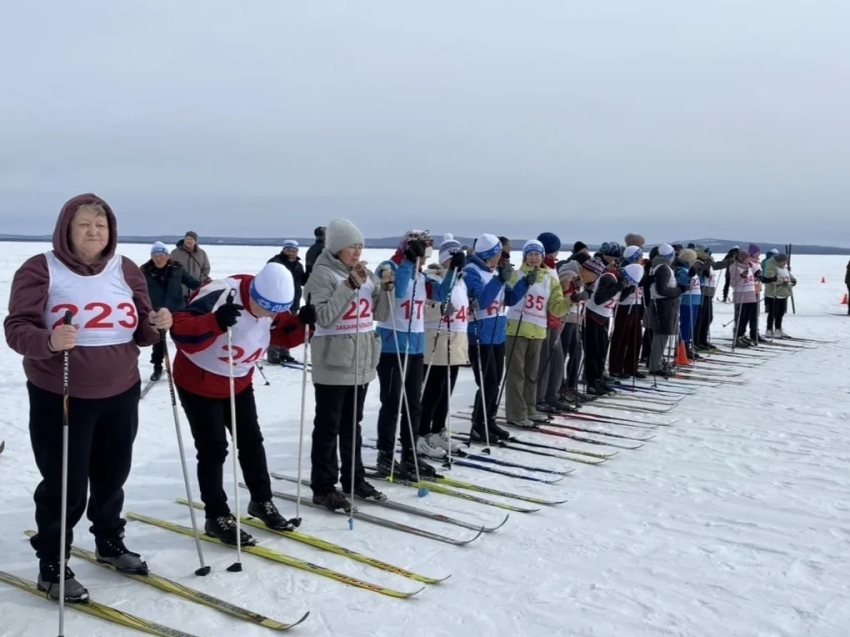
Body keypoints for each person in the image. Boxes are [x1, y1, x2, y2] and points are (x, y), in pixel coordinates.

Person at [4, 194, 172, 601]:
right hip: (61, 394)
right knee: (66, 483)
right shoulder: (40, 269)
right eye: (84, 225)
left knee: (113, 475)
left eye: (101, 225)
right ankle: (52, 562)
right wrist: (47, 339)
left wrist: (156, 325)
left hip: (120, 391)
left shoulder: (126, 269)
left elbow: (142, 330)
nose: (94, 232)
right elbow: (16, 327)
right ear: (67, 229)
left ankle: (109, 540)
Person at [169, 262, 315, 544]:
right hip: (199, 381)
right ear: (255, 296)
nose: (273, 315)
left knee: (251, 442)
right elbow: (180, 330)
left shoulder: (274, 306)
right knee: (213, 449)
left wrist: (303, 324)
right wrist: (214, 322)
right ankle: (217, 515)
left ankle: (261, 500)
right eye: (268, 308)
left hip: (238, 380)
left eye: (278, 310)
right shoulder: (221, 292)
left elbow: (283, 334)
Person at [303, 219, 392, 511]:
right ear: (336, 248)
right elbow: (324, 317)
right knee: (328, 427)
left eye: (360, 246)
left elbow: (382, 315)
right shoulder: (322, 275)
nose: (356, 251)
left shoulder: (366, 275)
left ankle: (354, 478)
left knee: (351, 426)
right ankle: (323, 487)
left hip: (361, 361)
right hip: (333, 362)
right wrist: (349, 286)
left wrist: (387, 290)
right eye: (350, 246)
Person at [373, 231, 453, 478]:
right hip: (391, 344)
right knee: (392, 401)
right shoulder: (389, 266)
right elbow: (395, 293)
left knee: (413, 404)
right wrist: (408, 261)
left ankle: (409, 453)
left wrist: (453, 272)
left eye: (427, 247)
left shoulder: (423, 273)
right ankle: (385, 454)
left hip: (416, 345)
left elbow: (441, 295)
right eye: (419, 247)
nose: (424, 252)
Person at [504, 240, 570, 426]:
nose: (534, 258)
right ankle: (516, 414)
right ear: (525, 256)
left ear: (542, 257)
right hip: (517, 328)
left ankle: (530, 409)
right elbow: (507, 297)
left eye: (537, 254)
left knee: (532, 374)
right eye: (530, 254)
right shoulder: (516, 275)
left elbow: (556, 308)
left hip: (538, 330)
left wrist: (570, 300)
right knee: (516, 374)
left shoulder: (550, 279)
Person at [464, 234, 522, 442]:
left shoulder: (493, 270)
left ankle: (489, 420)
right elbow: (481, 302)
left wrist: (524, 283)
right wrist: (499, 280)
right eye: (498, 253)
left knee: (495, 382)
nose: (501, 256)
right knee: (487, 383)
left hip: (497, 334)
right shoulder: (472, 272)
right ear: (490, 254)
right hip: (481, 334)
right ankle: (478, 424)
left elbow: (510, 298)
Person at [418, 235, 469, 458]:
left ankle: (438, 429)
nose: (456, 264)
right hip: (437, 339)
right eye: (453, 259)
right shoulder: (432, 277)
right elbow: (424, 307)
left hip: (457, 339)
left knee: (446, 391)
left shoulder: (461, 281)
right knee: (433, 390)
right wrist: (440, 309)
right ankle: (422, 433)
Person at [141, 241, 202, 380]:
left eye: (161, 255)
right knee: (158, 343)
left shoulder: (177, 269)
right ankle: (157, 368)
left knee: (182, 339)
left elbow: (191, 282)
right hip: (158, 312)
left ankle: (186, 367)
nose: (158, 258)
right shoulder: (144, 271)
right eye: (155, 255)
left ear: (168, 256)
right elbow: (138, 289)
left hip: (177, 310)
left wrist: (208, 287)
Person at [581, 254, 625, 394]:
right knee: (593, 351)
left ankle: (599, 379)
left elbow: (617, 298)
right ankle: (592, 382)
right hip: (593, 315)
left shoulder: (616, 278)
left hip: (604, 316)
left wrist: (626, 289)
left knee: (602, 350)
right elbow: (600, 298)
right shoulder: (608, 277)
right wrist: (618, 287)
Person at [267, 240, 307, 364]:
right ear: (283, 250)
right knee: (276, 328)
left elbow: (302, 282)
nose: (291, 253)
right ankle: (273, 353)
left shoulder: (298, 265)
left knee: (289, 328)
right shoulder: (275, 262)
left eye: (294, 251)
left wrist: (309, 274)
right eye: (289, 250)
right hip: (278, 301)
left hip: (294, 301)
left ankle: (285, 352)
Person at [609, 245, 646, 378]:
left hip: (636, 304)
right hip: (624, 306)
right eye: (640, 256)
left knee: (636, 338)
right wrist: (629, 288)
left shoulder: (639, 269)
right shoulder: (624, 270)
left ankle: (631, 367)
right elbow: (620, 293)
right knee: (621, 337)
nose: (642, 259)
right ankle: (616, 367)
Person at [646, 244, 683, 376]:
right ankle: (655, 364)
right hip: (664, 304)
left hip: (661, 303)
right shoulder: (664, 268)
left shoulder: (658, 266)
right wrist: (679, 290)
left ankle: (656, 361)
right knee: (662, 334)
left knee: (661, 334)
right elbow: (662, 290)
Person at [731, 246, 761, 347]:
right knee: (742, 317)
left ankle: (742, 335)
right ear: (742, 259)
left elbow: (753, 278)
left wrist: (758, 275)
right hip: (741, 295)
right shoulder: (735, 267)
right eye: (747, 258)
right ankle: (738, 335)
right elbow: (733, 283)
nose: (749, 260)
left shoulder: (749, 267)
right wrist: (741, 277)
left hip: (751, 294)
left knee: (749, 316)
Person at [762, 253, 796, 338]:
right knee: (772, 313)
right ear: (779, 261)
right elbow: (770, 277)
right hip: (773, 293)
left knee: (780, 313)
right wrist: (781, 281)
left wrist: (793, 279)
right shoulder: (772, 266)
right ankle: (769, 329)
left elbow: (787, 274)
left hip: (783, 293)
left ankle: (778, 328)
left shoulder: (783, 267)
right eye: (784, 261)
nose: (785, 263)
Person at [170, 231, 211, 300]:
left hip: (196, 289)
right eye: (187, 239)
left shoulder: (201, 253)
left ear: (195, 241)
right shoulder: (175, 253)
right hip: (180, 290)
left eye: (191, 239)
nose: (188, 241)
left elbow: (206, 268)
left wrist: (200, 280)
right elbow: (170, 268)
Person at [675, 248, 700, 360]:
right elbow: (682, 285)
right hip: (687, 300)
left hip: (695, 299)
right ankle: (682, 346)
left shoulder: (690, 269)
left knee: (692, 324)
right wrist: (688, 280)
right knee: (686, 324)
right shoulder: (683, 270)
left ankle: (687, 344)